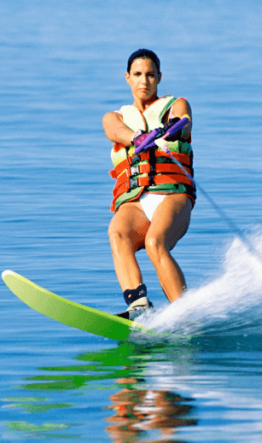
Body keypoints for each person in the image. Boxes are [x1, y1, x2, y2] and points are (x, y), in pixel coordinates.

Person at [103, 49, 195, 320]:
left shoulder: (176, 104)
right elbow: (117, 132)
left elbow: (185, 122)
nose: (144, 81)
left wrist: (173, 129)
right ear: (127, 78)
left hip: (172, 195)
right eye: (138, 75)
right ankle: (140, 306)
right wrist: (137, 138)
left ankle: (184, 315)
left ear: (159, 78)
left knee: (156, 242)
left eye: (150, 75)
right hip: (136, 202)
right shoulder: (114, 117)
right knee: (117, 233)